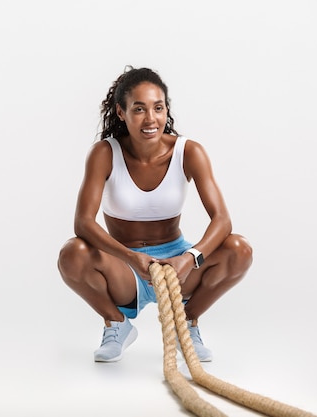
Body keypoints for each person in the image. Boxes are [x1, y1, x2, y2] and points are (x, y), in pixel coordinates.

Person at [57, 66, 253, 363]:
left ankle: (186, 323)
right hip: (124, 266)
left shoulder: (189, 152)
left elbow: (222, 220)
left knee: (239, 250)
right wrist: (131, 257)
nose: (151, 119)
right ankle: (116, 324)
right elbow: (83, 222)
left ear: (166, 110)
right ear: (121, 113)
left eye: (158, 108)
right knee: (71, 254)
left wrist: (190, 258)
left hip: (177, 263)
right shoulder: (104, 153)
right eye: (139, 109)